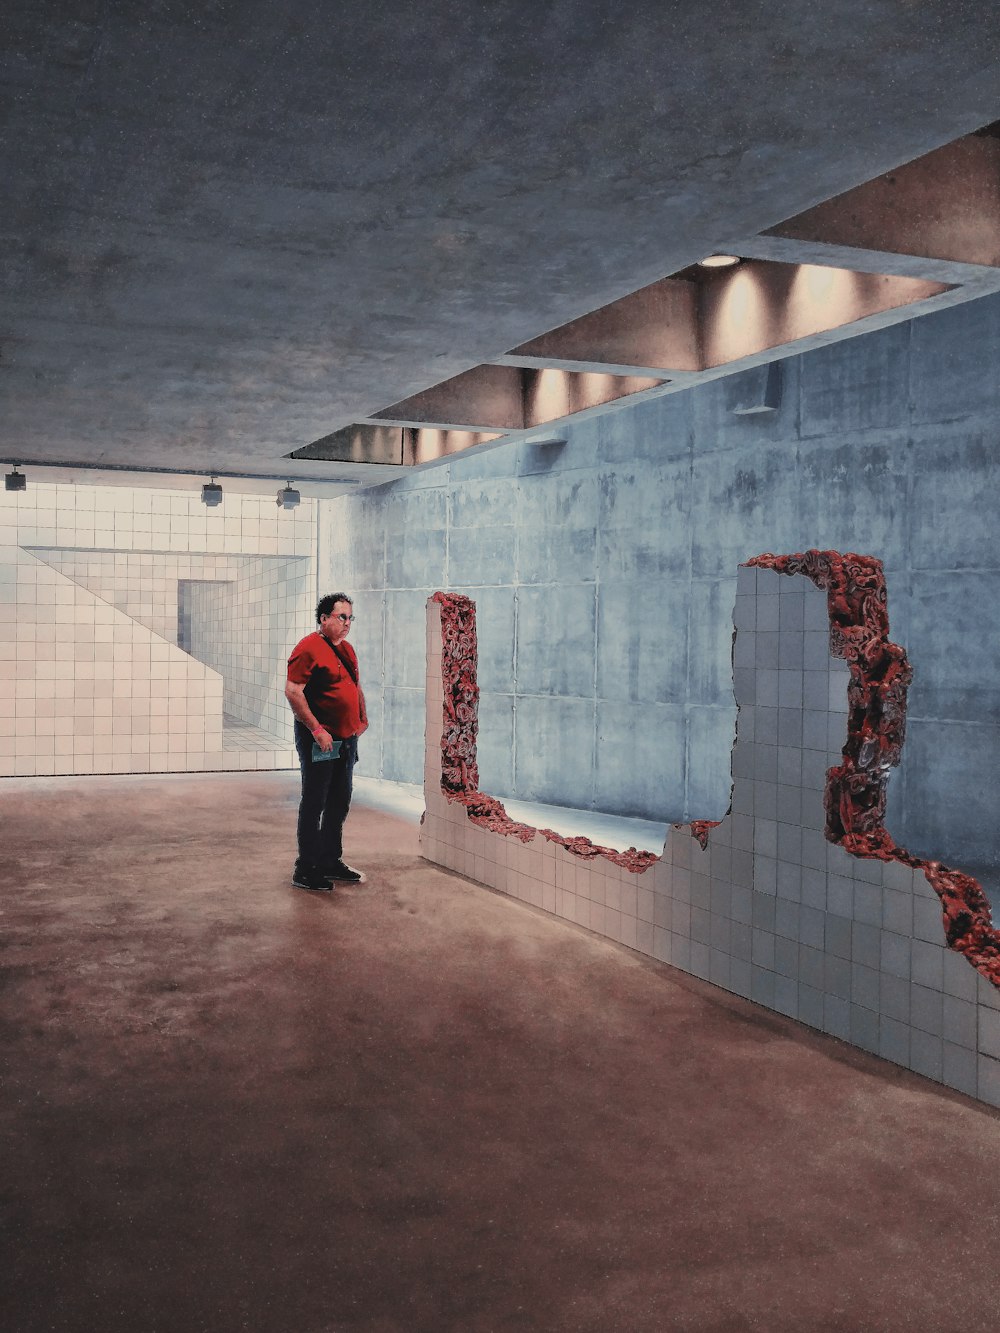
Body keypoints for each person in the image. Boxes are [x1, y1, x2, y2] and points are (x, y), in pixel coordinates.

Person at [285, 593, 368, 892]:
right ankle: (305, 868)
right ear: (323, 618)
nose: (347, 623)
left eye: (350, 618)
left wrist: (362, 717)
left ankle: (330, 860)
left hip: (346, 740)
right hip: (320, 740)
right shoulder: (308, 648)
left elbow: (354, 686)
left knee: (339, 801)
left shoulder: (347, 649)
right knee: (315, 801)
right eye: (341, 617)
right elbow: (293, 691)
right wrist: (317, 729)